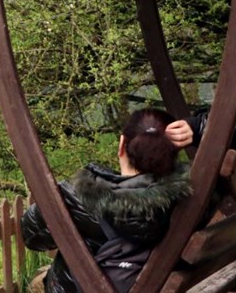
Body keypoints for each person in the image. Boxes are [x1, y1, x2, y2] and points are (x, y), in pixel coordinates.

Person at [22, 109, 193, 293]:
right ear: (172, 154)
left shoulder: (79, 196)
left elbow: (31, 236)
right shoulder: (186, 199)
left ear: (121, 145)